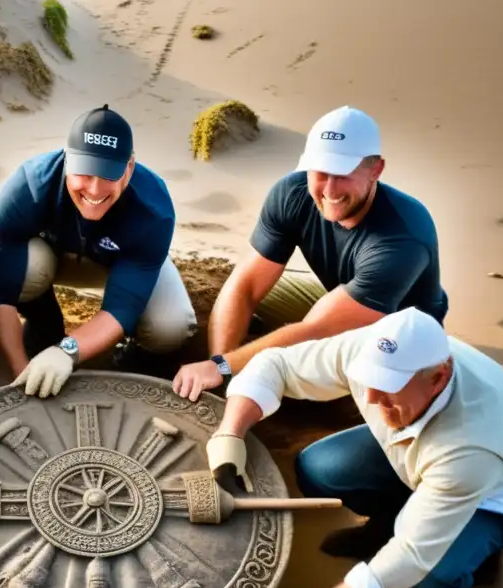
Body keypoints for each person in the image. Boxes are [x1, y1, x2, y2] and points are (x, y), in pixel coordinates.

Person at [205, 307, 503, 588]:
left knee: (431, 579)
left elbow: (411, 556)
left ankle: (484, 557)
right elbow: (275, 364)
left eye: (388, 387)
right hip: (415, 457)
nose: (368, 397)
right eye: (368, 380)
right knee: (319, 469)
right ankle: (385, 525)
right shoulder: (370, 349)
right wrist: (229, 434)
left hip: (491, 496)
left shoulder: (472, 446)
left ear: (439, 378)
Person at [173, 105, 449, 402]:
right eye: (321, 171)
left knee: (306, 365)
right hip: (342, 302)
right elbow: (245, 286)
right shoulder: (292, 193)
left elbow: (315, 331)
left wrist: (222, 367)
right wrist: (221, 365)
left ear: (376, 170)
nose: (329, 189)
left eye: (343, 173)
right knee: (235, 293)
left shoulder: (403, 238)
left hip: (397, 342)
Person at [0, 104, 198, 399]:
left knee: (169, 327)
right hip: (52, 258)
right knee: (24, 271)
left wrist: (67, 351)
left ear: (129, 167)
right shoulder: (27, 188)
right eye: (85, 172)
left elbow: (122, 307)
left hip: (121, 263)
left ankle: (134, 356)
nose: (95, 190)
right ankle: (44, 325)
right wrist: (20, 381)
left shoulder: (153, 209)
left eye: (109, 174)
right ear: (68, 160)